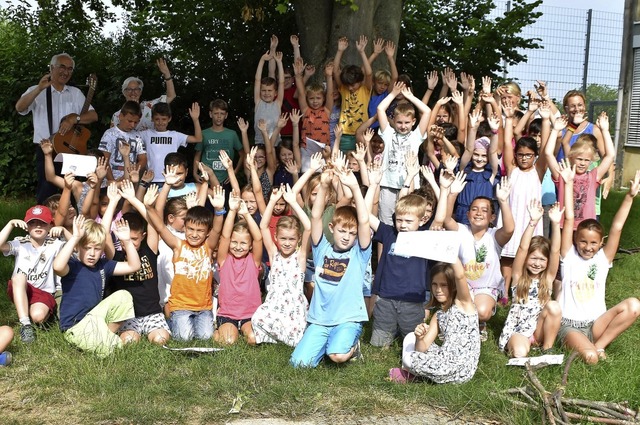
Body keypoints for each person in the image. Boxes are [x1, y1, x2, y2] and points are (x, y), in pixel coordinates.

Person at [556, 163, 640, 364]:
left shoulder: (603, 259)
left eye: (594, 243)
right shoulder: (568, 256)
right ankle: (592, 350)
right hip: (570, 325)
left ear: (601, 243)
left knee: (634, 305)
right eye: (583, 241)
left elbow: (617, 227)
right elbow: (569, 219)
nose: (587, 247)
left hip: (596, 324)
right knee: (591, 358)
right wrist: (568, 184)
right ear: (576, 241)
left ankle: (600, 344)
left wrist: (629, 197)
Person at [290, 165, 371, 368]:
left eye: (351, 233)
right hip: (320, 319)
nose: (346, 237)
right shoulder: (321, 249)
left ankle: (351, 347)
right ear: (332, 228)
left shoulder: (359, 253)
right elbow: (315, 217)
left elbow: (363, 220)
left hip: (347, 318)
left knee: (337, 355)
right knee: (298, 364)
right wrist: (324, 185)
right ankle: (327, 341)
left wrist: (353, 186)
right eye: (343, 231)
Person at [432, 169, 514, 341]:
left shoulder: (494, 236)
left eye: (484, 211)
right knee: (456, 309)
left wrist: (504, 201)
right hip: (463, 287)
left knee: (482, 312)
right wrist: (453, 193)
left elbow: (509, 229)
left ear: (492, 217)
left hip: (486, 289)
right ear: (468, 215)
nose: (478, 213)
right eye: (474, 209)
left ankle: (479, 323)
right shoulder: (461, 230)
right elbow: (447, 220)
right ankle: (457, 325)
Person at [144, 167, 224, 341]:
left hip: (203, 306)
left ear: (207, 233)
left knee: (205, 337)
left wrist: (219, 210)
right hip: (180, 305)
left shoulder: (208, 247)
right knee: (184, 338)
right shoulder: (178, 245)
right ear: (185, 228)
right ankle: (169, 319)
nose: (194, 234)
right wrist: (149, 207)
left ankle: (200, 324)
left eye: (200, 231)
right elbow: (160, 227)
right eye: (191, 229)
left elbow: (218, 229)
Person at [15, 52, 98, 203]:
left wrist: (75, 118)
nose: (66, 72)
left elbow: (93, 116)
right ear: (51, 68)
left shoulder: (75, 93)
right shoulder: (37, 90)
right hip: (47, 149)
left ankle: (73, 224)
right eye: (62, 67)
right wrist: (39, 89)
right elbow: (20, 108)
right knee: (46, 191)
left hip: (72, 149)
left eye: (70, 69)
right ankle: (44, 223)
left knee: (74, 192)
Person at [53, 215, 140, 358]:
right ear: (78, 247)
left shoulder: (103, 265)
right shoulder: (73, 266)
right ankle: (100, 340)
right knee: (114, 350)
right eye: (87, 248)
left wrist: (127, 241)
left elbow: (134, 266)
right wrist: (75, 237)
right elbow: (57, 266)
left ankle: (104, 334)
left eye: (97, 249)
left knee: (124, 296)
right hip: (75, 325)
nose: (92, 254)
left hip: (96, 318)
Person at [365, 163, 431, 347]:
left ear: (422, 220)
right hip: (385, 299)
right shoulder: (388, 233)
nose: (403, 224)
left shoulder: (425, 237)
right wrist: (372, 185)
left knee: (414, 344)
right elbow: (365, 215)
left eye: (409, 221)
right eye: (399, 220)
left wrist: (439, 186)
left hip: (413, 301)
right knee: (378, 346)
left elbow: (442, 217)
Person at [389, 258, 480, 384]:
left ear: (453, 286)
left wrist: (451, 252)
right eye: (434, 284)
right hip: (444, 360)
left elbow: (459, 276)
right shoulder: (439, 315)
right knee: (410, 337)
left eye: (444, 285)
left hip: (461, 370)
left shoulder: (464, 305)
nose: (438, 290)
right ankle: (420, 375)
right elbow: (422, 348)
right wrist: (419, 337)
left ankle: (414, 375)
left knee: (409, 359)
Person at [107, 182, 171, 345]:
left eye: (134, 239)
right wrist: (113, 202)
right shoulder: (115, 255)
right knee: (129, 341)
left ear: (142, 236)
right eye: (125, 239)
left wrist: (133, 199)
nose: (129, 242)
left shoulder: (149, 248)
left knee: (160, 339)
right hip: (128, 315)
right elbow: (103, 232)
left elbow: (153, 222)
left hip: (152, 313)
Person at [498, 200, 563, 357]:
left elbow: (555, 251)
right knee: (520, 353)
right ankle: (518, 346)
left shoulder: (547, 279)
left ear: (547, 263)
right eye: (533, 258)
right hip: (519, 330)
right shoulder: (518, 277)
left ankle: (547, 349)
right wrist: (533, 222)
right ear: (526, 258)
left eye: (542, 260)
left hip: (539, 329)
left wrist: (555, 224)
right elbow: (522, 248)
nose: (537, 264)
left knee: (554, 306)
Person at [252, 185, 310, 346]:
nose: (287, 243)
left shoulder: (300, 256)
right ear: (276, 237)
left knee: (295, 339)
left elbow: (308, 227)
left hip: (294, 309)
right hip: (274, 305)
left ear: (298, 239)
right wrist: (271, 201)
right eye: (283, 239)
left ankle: (282, 337)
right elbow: (263, 226)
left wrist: (293, 203)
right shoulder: (273, 254)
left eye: (291, 239)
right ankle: (277, 337)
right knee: (257, 319)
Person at [0, 205, 67, 342]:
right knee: (19, 277)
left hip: (44, 292)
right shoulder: (20, 242)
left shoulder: (54, 244)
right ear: (26, 225)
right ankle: (25, 325)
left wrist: (64, 231)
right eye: (33, 223)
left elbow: (78, 247)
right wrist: (10, 223)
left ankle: (33, 311)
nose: (37, 226)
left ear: (50, 226)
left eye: (42, 223)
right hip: (22, 288)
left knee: (38, 316)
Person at [544, 112, 615, 230]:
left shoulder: (593, 177)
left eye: (586, 160)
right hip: (564, 227)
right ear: (571, 158)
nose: (582, 163)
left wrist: (605, 130)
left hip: (586, 229)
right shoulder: (562, 175)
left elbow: (610, 155)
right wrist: (556, 130)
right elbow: (548, 154)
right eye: (579, 159)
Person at [376, 81, 431, 226]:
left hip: (408, 185)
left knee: (406, 220)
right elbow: (380, 109)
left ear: (413, 122)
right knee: (386, 224)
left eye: (407, 122)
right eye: (399, 122)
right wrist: (393, 93)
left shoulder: (416, 136)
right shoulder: (388, 134)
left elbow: (427, 112)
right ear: (393, 121)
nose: (403, 126)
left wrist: (410, 97)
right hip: (388, 184)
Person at [214, 191, 263, 345]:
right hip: (228, 314)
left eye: (243, 243)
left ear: (249, 246)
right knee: (228, 341)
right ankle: (217, 330)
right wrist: (232, 210)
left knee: (254, 339)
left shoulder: (253, 260)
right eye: (235, 242)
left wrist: (246, 214)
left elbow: (258, 237)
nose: (238, 247)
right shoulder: (224, 260)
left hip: (251, 314)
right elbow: (225, 236)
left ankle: (242, 329)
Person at [141, 102, 202, 184]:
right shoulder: (146, 134)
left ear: (169, 119)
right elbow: (128, 135)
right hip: (151, 179)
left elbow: (198, 138)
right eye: (157, 119)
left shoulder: (175, 135)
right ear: (152, 119)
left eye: (163, 119)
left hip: (171, 178)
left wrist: (195, 119)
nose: (160, 122)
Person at [111, 58, 176, 131]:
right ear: (124, 92)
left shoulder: (150, 106)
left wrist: (167, 74)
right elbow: (112, 137)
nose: (133, 92)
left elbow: (171, 96)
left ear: (140, 92)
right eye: (129, 89)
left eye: (136, 89)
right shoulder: (117, 115)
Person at [333, 35, 373, 152]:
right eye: (348, 85)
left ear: (360, 81)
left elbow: (369, 73)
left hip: (361, 133)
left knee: (360, 163)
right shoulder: (344, 89)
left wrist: (362, 52)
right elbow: (335, 71)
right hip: (343, 133)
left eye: (353, 85)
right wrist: (340, 51)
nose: (350, 88)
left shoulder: (365, 89)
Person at [193, 100, 245, 190]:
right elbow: (198, 154)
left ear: (226, 115)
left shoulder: (232, 134)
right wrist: (195, 173)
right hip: (206, 178)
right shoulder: (203, 134)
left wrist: (234, 171)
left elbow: (242, 154)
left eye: (222, 113)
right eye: (216, 113)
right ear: (210, 114)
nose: (219, 116)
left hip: (225, 179)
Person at [99, 101, 146, 183]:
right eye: (130, 121)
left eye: (136, 122)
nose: (132, 125)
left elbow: (143, 159)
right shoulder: (109, 134)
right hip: (110, 180)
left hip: (130, 181)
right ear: (120, 116)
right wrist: (112, 181)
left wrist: (130, 174)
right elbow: (104, 159)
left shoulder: (138, 136)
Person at [254, 51, 285, 145]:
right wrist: (262, 60)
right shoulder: (258, 102)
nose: (266, 93)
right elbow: (257, 80)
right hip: (260, 143)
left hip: (275, 143)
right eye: (263, 90)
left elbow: (281, 83)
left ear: (275, 93)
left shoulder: (278, 103)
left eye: (269, 90)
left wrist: (279, 62)